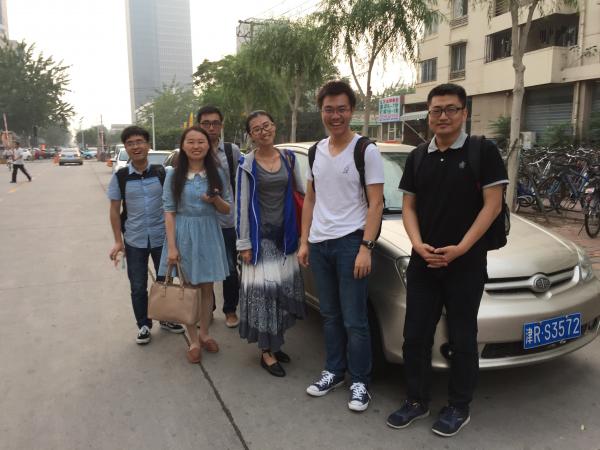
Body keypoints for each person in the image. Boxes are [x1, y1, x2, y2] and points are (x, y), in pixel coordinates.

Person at [388, 83, 508, 437]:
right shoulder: (418, 156)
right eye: (436, 110)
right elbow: (409, 207)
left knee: (462, 337)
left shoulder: (482, 151)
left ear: (464, 113)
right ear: (429, 115)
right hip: (424, 261)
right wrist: (418, 244)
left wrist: (461, 248)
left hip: (465, 264)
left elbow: (492, 206)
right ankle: (416, 400)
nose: (443, 116)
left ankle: (459, 405)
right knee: (415, 335)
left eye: (451, 109)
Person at [298, 81, 384, 411]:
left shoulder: (365, 150)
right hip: (320, 244)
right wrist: (305, 241)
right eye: (329, 109)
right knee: (330, 315)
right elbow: (310, 199)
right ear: (321, 111)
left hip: (351, 243)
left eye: (342, 109)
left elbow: (376, 204)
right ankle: (334, 371)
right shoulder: (316, 151)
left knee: (355, 319)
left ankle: (360, 380)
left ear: (352, 111)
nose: (336, 116)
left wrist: (366, 247)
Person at [235, 110, 306, 378]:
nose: (263, 131)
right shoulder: (246, 164)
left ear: (274, 127)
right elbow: (241, 204)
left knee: (279, 293)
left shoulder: (288, 158)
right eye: (256, 129)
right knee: (264, 296)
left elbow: (300, 194)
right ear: (250, 135)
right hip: (260, 239)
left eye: (266, 125)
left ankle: (276, 344)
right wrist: (244, 244)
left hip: (285, 237)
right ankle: (266, 352)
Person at [158, 126, 231, 364]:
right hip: (183, 234)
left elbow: (227, 209)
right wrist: (172, 248)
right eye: (191, 141)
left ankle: (205, 333)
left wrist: (215, 199)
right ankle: (193, 341)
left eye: (201, 141)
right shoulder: (173, 174)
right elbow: (169, 211)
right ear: (183, 145)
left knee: (207, 289)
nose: (196, 146)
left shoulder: (217, 173)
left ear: (208, 145)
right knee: (188, 289)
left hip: (209, 232)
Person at [107, 126, 185, 345]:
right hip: (134, 239)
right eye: (130, 143)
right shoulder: (121, 177)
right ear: (126, 147)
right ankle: (143, 324)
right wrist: (118, 241)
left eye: (139, 141)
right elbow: (114, 210)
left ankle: (166, 318)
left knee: (165, 281)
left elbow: (174, 204)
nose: (136, 146)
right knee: (138, 285)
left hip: (162, 238)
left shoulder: (162, 173)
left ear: (148, 145)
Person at [197, 105, 242, 328]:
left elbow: (241, 183)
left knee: (230, 269)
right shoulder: (193, 150)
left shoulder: (231, 151)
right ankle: (208, 309)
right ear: (199, 125)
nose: (211, 127)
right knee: (204, 269)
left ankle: (230, 310)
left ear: (221, 126)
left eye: (215, 123)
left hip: (227, 221)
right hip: (201, 222)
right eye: (206, 123)